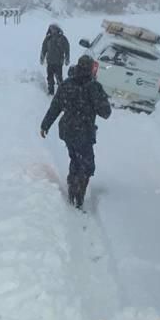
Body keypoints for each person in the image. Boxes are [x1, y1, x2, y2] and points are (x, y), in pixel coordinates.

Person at [40, 54, 112, 209]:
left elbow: (55, 107)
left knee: (75, 159)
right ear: (91, 68)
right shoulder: (94, 87)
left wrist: (45, 125)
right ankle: (78, 195)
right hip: (84, 132)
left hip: (68, 130)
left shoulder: (66, 84)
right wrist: (103, 100)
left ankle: (73, 189)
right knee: (87, 165)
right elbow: (105, 113)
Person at [39, 24, 70, 95]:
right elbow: (44, 49)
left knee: (59, 78)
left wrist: (67, 59)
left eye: (54, 29)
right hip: (50, 62)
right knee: (50, 77)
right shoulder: (48, 38)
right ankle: (51, 91)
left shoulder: (62, 38)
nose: (53, 30)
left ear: (57, 29)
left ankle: (61, 92)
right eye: (51, 29)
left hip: (58, 62)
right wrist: (42, 58)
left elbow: (67, 49)